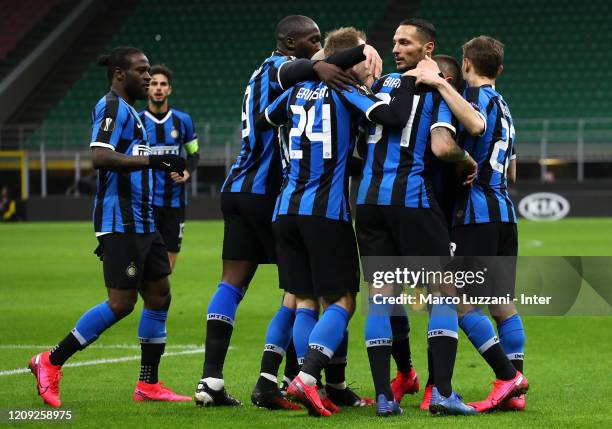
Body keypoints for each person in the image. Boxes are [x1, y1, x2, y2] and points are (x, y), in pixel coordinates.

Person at [195, 15, 382, 408]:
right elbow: (307, 71)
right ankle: (300, 379)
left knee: (234, 284)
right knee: (304, 295)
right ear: (288, 43)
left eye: (320, 41)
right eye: (310, 40)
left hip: (241, 185)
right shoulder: (284, 70)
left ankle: (213, 379)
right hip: (274, 191)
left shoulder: (258, 77)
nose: (316, 47)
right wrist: (353, 55)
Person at [259, 26, 417, 417]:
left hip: (284, 210)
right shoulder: (347, 92)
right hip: (324, 211)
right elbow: (388, 116)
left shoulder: (294, 91)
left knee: (306, 301)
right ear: (358, 58)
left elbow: (266, 118)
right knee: (343, 301)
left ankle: (313, 386)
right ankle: (307, 378)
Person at [28, 46, 190, 407]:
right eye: (142, 71)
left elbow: (134, 158)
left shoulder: (131, 112)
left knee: (160, 294)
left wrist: (159, 162)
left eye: (150, 71)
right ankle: (51, 360)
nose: (148, 77)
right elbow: (99, 156)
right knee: (121, 303)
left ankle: (148, 384)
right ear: (120, 73)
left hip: (144, 220)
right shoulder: (111, 107)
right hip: (122, 220)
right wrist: (153, 159)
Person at [357, 18, 477, 416]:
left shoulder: (379, 87)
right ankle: (442, 392)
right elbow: (443, 147)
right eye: (394, 42)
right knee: (443, 291)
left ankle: (384, 399)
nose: (396, 48)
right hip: (411, 201)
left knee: (381, 298)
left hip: (369, 203)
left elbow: (360, 148)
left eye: (405, 42)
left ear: (426, 49)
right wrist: (465, 161)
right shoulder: (435, 89)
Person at [408, 36, 528, 412]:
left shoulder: (473, 101)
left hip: (475, 215)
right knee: (501, 303)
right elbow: (512, 168)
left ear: (467, 65)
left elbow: (466, 134)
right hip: (505, 211)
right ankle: (515, 395)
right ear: (500, 69)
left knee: (454, 301)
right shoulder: (506, 107)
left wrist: (442, 86)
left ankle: (507, 376)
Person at [140, 64, 200, 270]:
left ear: (169, 89)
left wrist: (186, 172)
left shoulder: (183, 121)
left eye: (163, 84)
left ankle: (157, 300)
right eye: (153, 83)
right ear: (147, 88)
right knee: (144, 259)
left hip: (175, 203)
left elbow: (194, 154)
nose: (158, 88)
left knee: (169, 264)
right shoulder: (137, 121)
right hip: (145, 203)